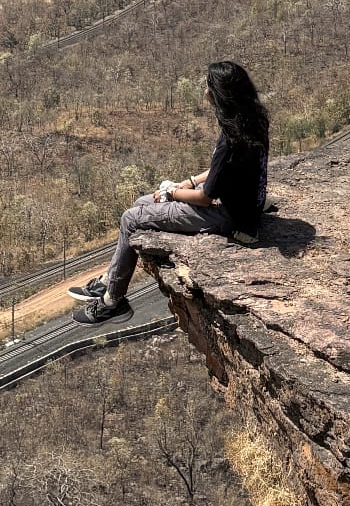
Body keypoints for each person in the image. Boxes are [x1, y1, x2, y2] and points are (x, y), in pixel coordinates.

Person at [71, 60, 269, 325]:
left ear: (218, 93)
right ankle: (109, 279)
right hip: (244, 207)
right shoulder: (251, 122)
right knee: (142, 202)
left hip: (226, 216)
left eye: (207, 85)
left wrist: (172, 192)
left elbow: (205, 198)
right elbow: (220, 172)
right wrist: (187, 181)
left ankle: (112, 301)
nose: (204, 90)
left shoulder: (230, 140)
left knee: (131, 219)